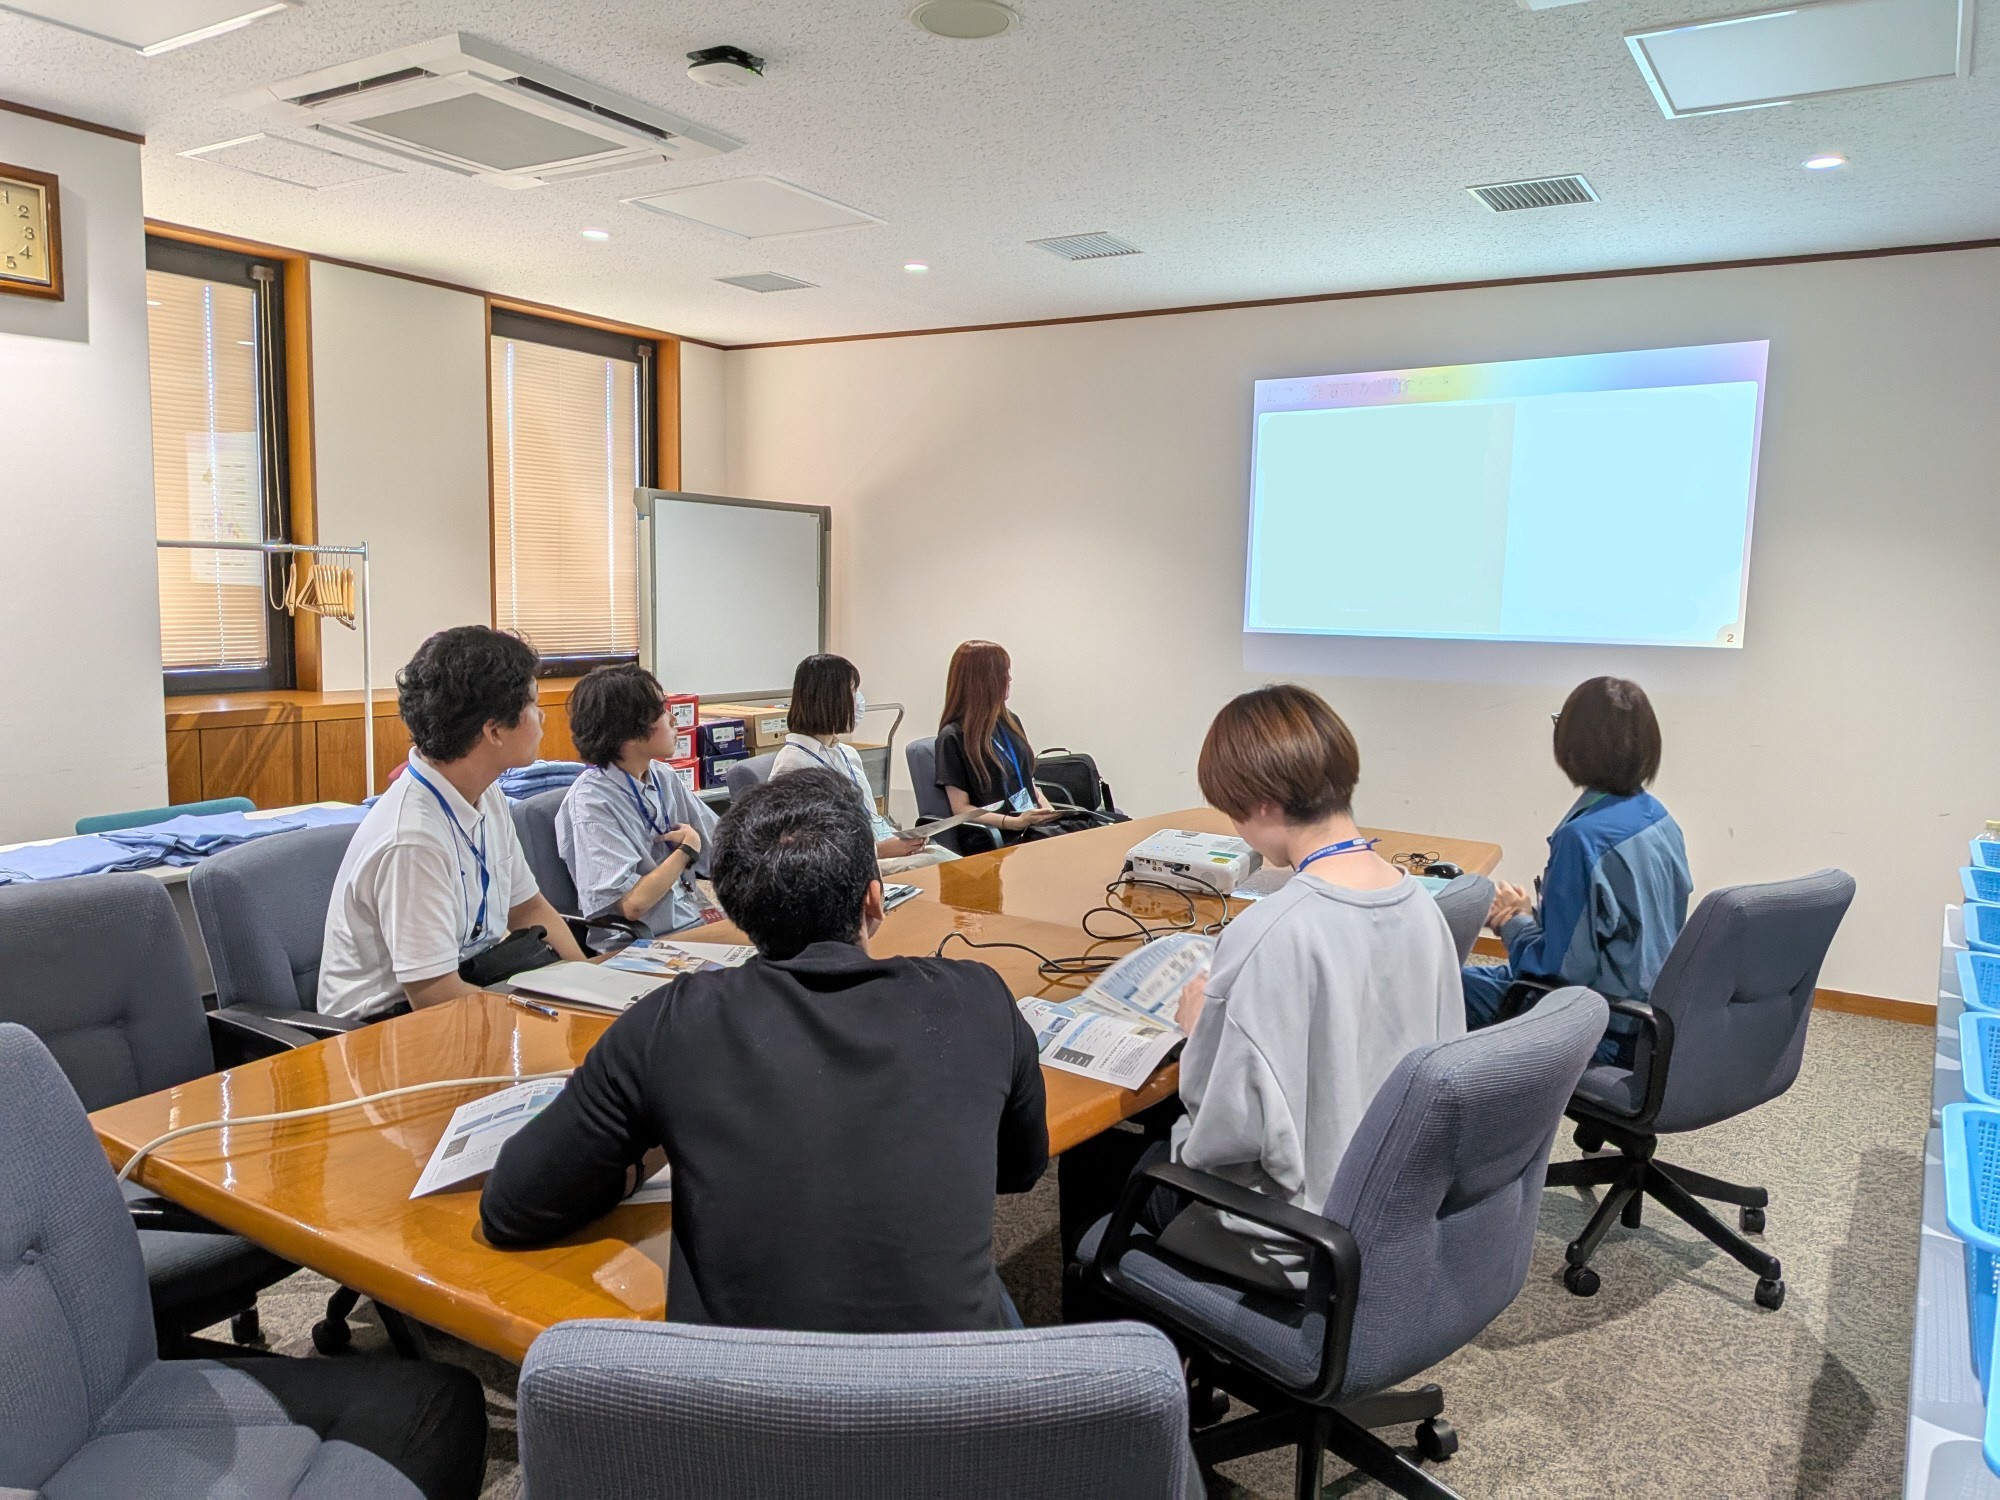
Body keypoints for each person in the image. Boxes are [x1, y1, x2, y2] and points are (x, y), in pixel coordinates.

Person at [480, 766, 1049, 1333]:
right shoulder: (979, 997)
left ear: (736, 913)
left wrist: (644, 1151)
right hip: (958, 1395)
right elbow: (1020, 1170)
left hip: (744, 1402)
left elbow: (513, 1208)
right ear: (875, 899)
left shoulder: (671, 1023)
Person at [1060, 684, 1462, 1296]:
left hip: (1297, 1236)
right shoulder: (1422, 905)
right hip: (1397, 1209)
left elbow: (1223, 1140)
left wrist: (1203, 1033)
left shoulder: (1270, 933)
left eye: (1232, 811)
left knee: (1097, 1155)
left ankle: (1131, 1372)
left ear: (1265, 804)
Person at [319, 627, 585, 1022]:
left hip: (472, 990)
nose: (543, 715)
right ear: (494, 731)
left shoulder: (486, 793)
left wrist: (590, 983)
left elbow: (528, 909)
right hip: (385, 1032)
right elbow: (435, 996)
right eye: (533, 704)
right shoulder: (412, 838)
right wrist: (546, 1017)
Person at [1460, 676, 1691, 1044]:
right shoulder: (1658, 818)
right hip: (1647, 1014)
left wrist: (1513, 922)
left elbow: (1558, 973)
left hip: (1599, 1023)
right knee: (1463, 981)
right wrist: (1530, 918)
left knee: (1434, 993)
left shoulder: (1582, 840)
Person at [557, 664, 718, 935]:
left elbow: (720, 842)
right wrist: (687, 850)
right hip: (643, 942)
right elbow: (633, 905)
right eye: (660, 711)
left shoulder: (661, 775)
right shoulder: (592, 803)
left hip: (690, 917)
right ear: (629, 732)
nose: (673, 719)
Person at [770, 653, 955, 875]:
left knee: (950, 860)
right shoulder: (794, 764)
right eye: (852, 692)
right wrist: (879, 850)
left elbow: (871, 818)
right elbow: (807, 850)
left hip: (875, 853)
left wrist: (902, 841)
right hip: (848, 869)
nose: (858, 701)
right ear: (830, 699)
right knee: (946, 866)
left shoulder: (846, 753)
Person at [933, 640, 1062, 848]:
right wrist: (1014, 823)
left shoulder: (1010, 722)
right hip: (996, 836)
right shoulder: (952, 737)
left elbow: (1029, 783)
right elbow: (961, 809)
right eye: (1003, 673)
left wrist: (1050, 813)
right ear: (983, 681)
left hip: (1029, 826)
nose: (1009, 678)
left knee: (1106, 823)